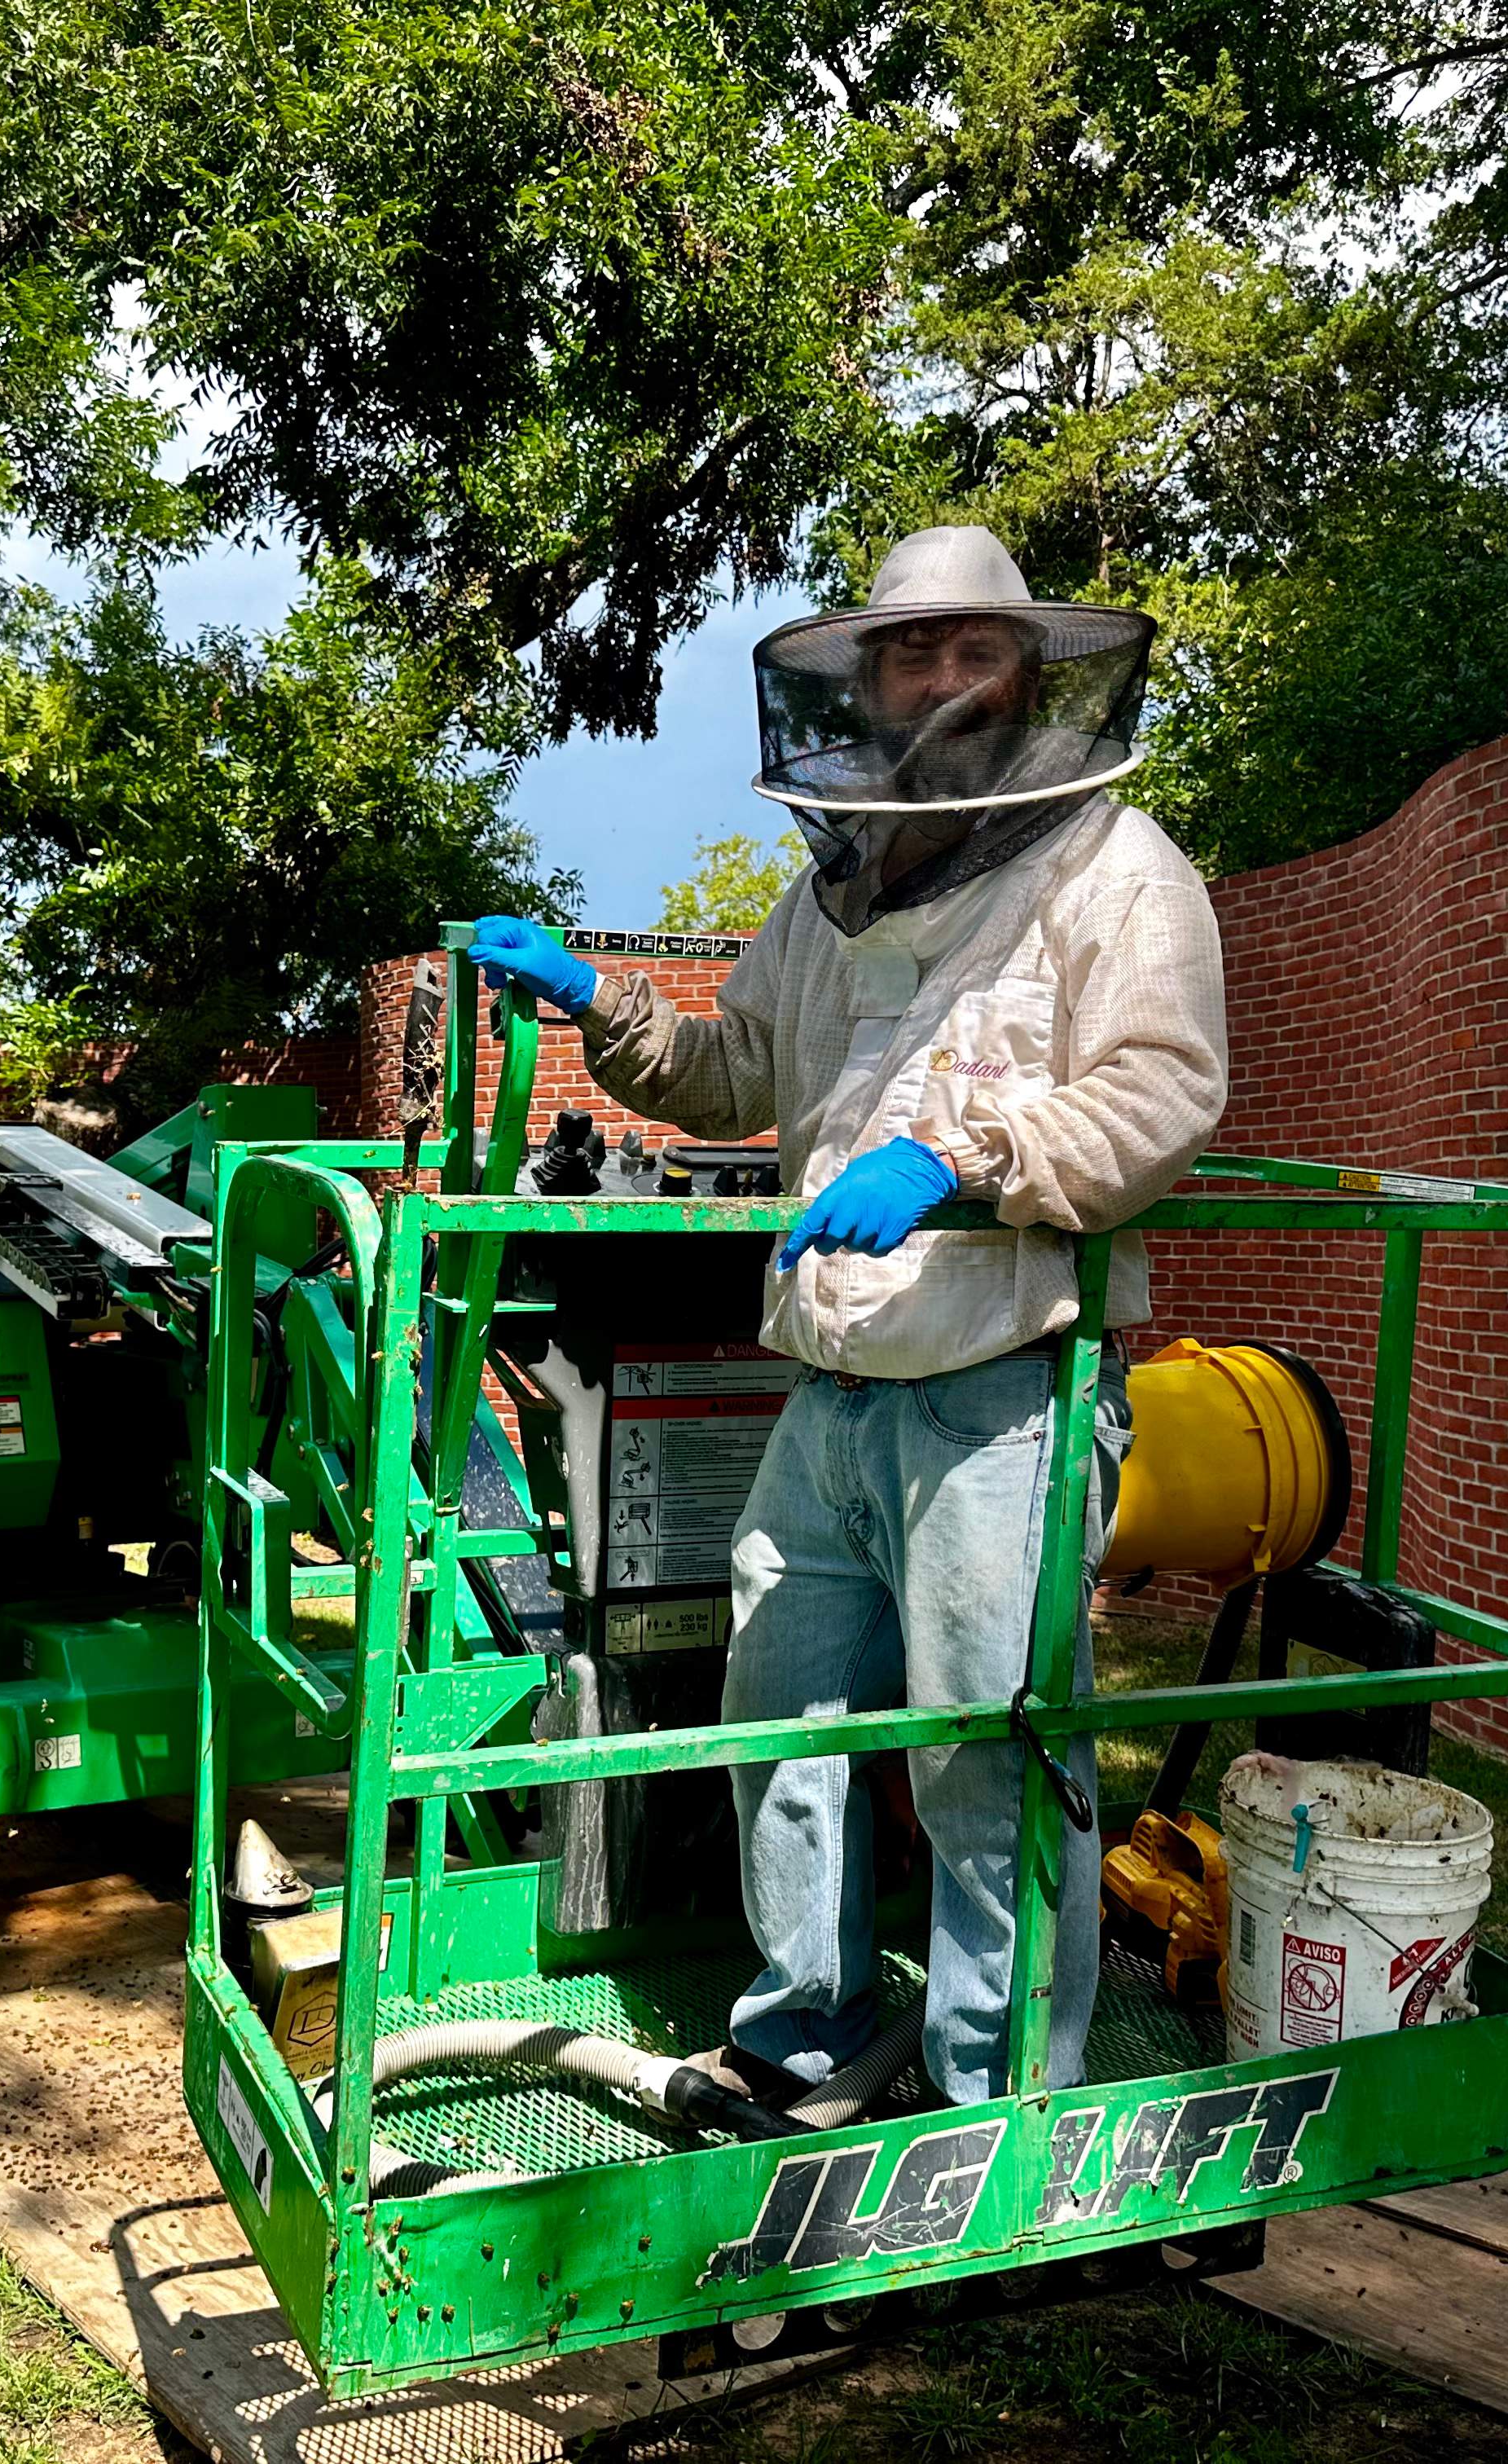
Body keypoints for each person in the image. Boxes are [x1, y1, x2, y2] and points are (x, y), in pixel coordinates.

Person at [466, 526, 1229, 2109]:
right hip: (832, 1388)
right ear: (863, 682)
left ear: (1030, 675)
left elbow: (1163, 1098)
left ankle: (995, 2090)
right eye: (907, 653)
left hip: (1007, 1383)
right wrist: (594, 994)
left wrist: (963, 1157)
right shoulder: (831, 894)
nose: (938, 680)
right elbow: (731, 1076)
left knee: (985, 1752)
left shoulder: (1118, 869)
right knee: (782, 1722)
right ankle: (802, 2026)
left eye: (972, 651)